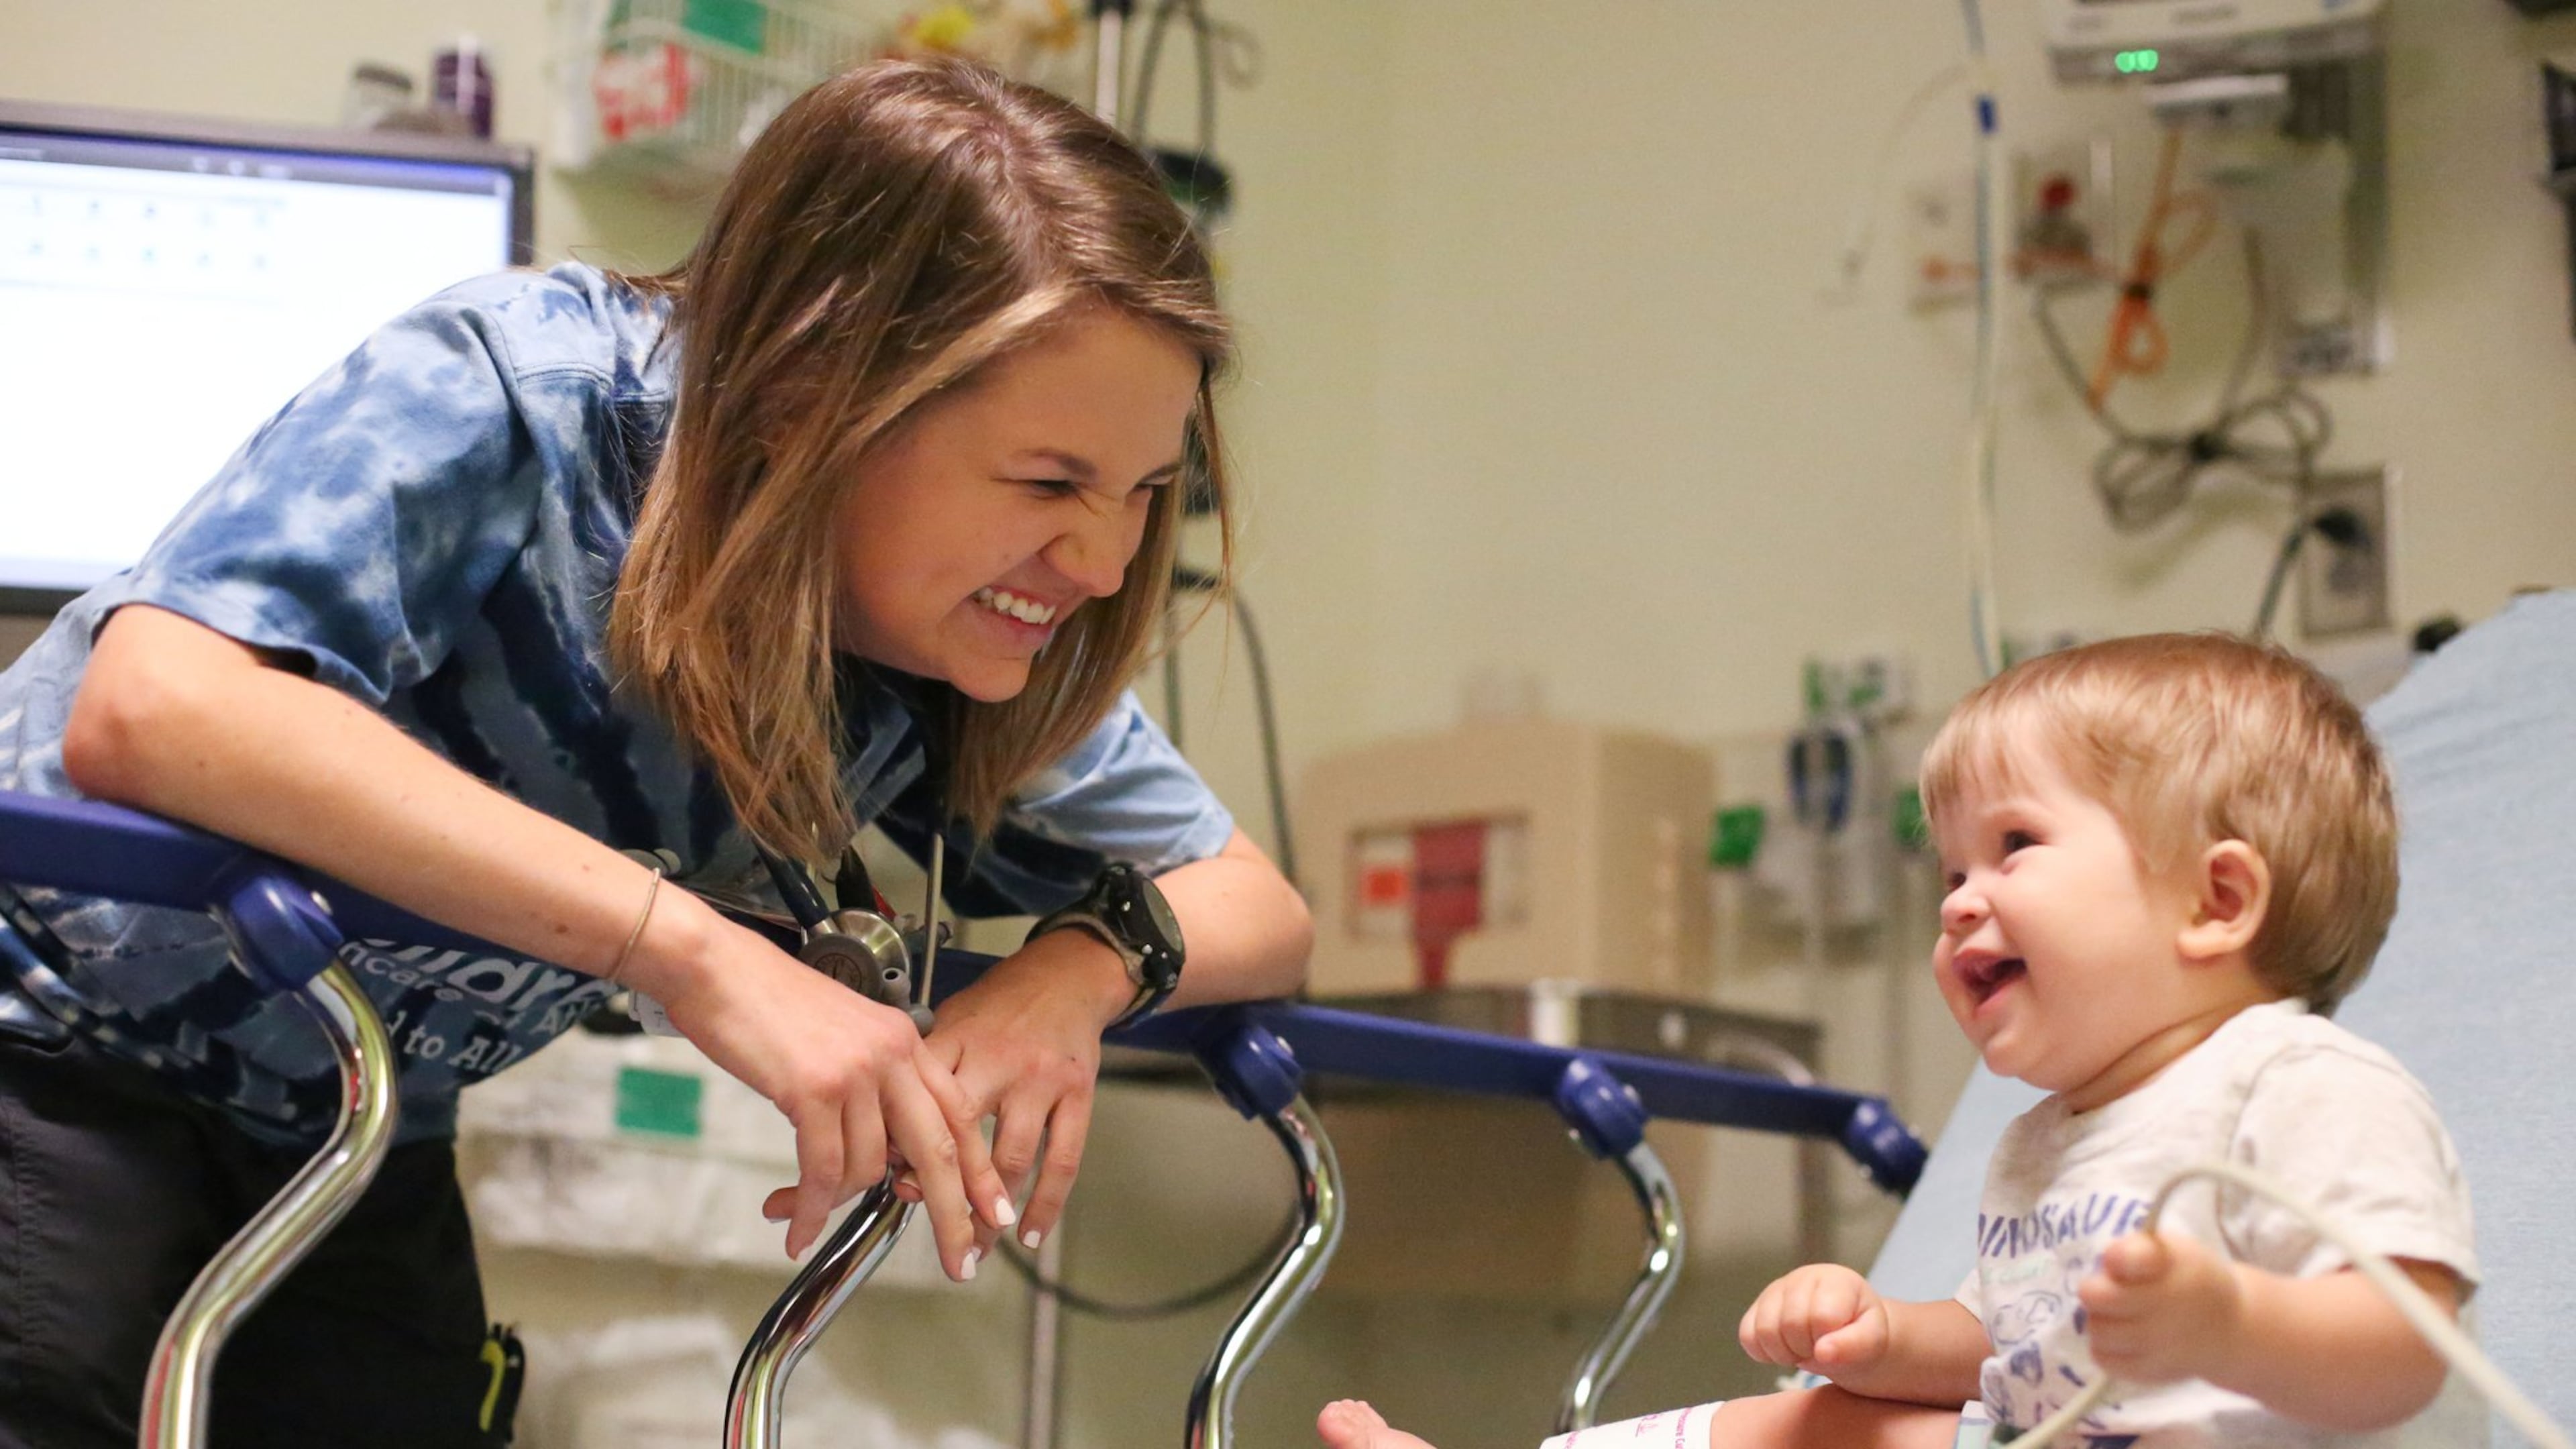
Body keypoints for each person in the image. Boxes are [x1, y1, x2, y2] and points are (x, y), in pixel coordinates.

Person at [0, 57, 1309, 1449]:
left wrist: (1074, 979)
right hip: (45, 1029)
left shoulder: (938, 634)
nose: (1104, 561)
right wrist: (691, 949)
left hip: (349, 1120)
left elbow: (1258, 903)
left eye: (1144, 494)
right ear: (821, 392)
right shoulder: (521, 396)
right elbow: (162, 707)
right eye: (1049, 484)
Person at [1320, 633, 2474, 1449]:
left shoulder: (2296, 1087)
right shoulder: (2046, 1140)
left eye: (2015, 847)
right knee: (1827, 1423)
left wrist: (2233, 1324)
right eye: (1951, 869)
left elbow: (2409, 1346)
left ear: (2217, 904)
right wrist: (1883, 1338)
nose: (1960, 902)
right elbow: (2003, 1347)